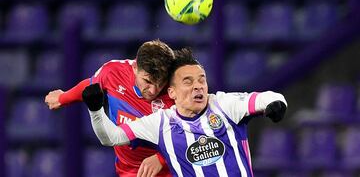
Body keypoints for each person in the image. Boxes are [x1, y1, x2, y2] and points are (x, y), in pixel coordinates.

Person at [83, 48, 288, 177]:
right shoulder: (160, 123)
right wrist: (95, 110)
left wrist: (276, 104)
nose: (197, 86)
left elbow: (265, 97)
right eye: (188, 82)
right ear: (171, 92)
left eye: (202, 79)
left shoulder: (225, 105)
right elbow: (111, 137)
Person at [44, 39, 175, 177]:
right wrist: (62, 98)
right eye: (148, 81)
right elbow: (90, 87)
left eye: (160, 83)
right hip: (128, 170)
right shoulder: (113, 72)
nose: (153, 90)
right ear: (135, 67)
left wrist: (162, 158)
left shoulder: (176, 92)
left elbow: (196, 132)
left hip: (170, 171)